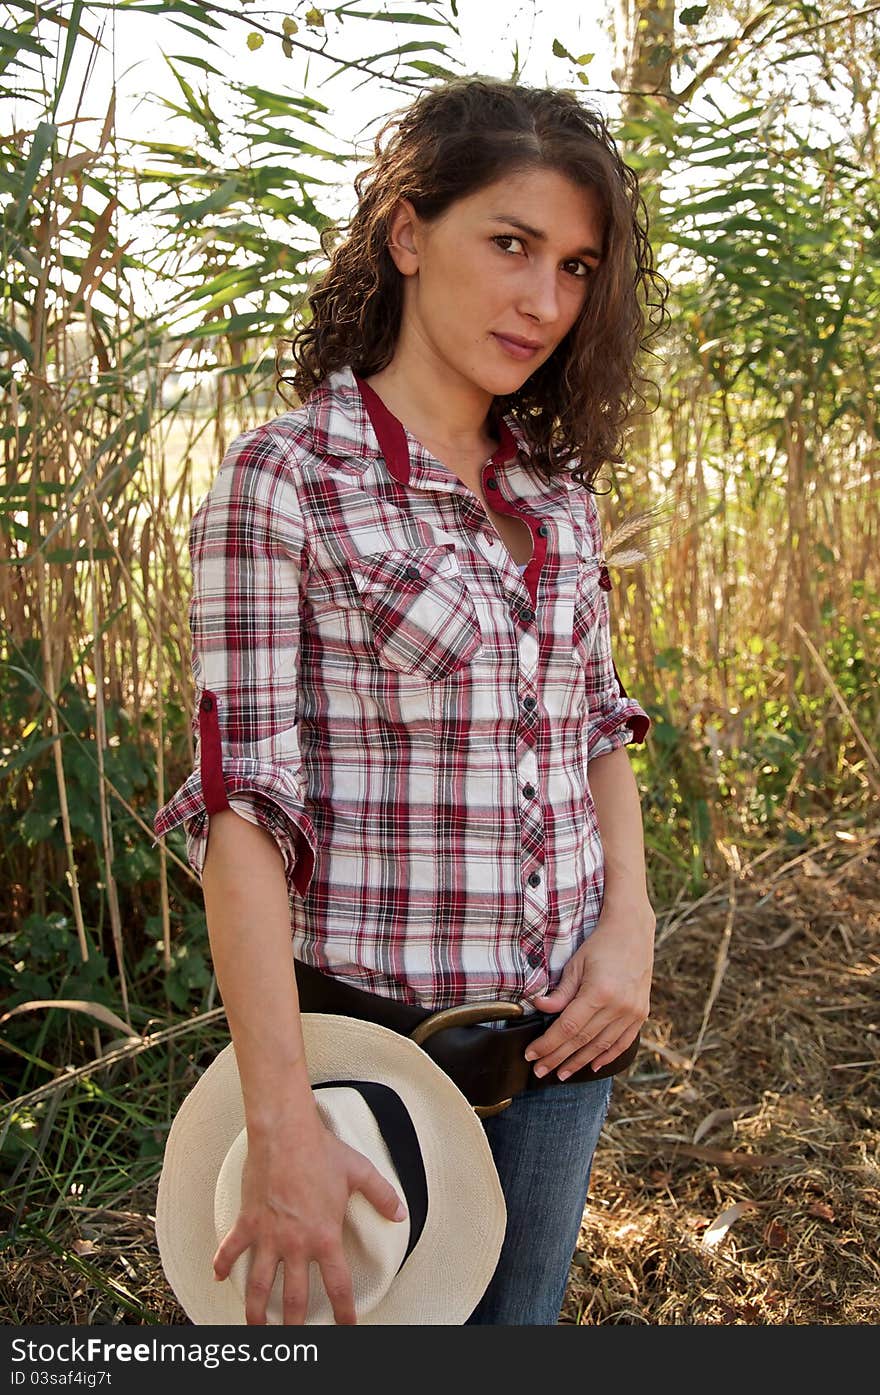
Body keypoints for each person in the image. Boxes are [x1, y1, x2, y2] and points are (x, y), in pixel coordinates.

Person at [153, 75, 668, 1327]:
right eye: (510, 244)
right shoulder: (287, 481)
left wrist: (632, 927)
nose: (544, 301)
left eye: (576, 266)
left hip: (564, 1045)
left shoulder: (552, 491)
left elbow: (595, 724)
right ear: (405, 233)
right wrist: (279, 1120)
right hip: (378, 1063)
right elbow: (241, 819)